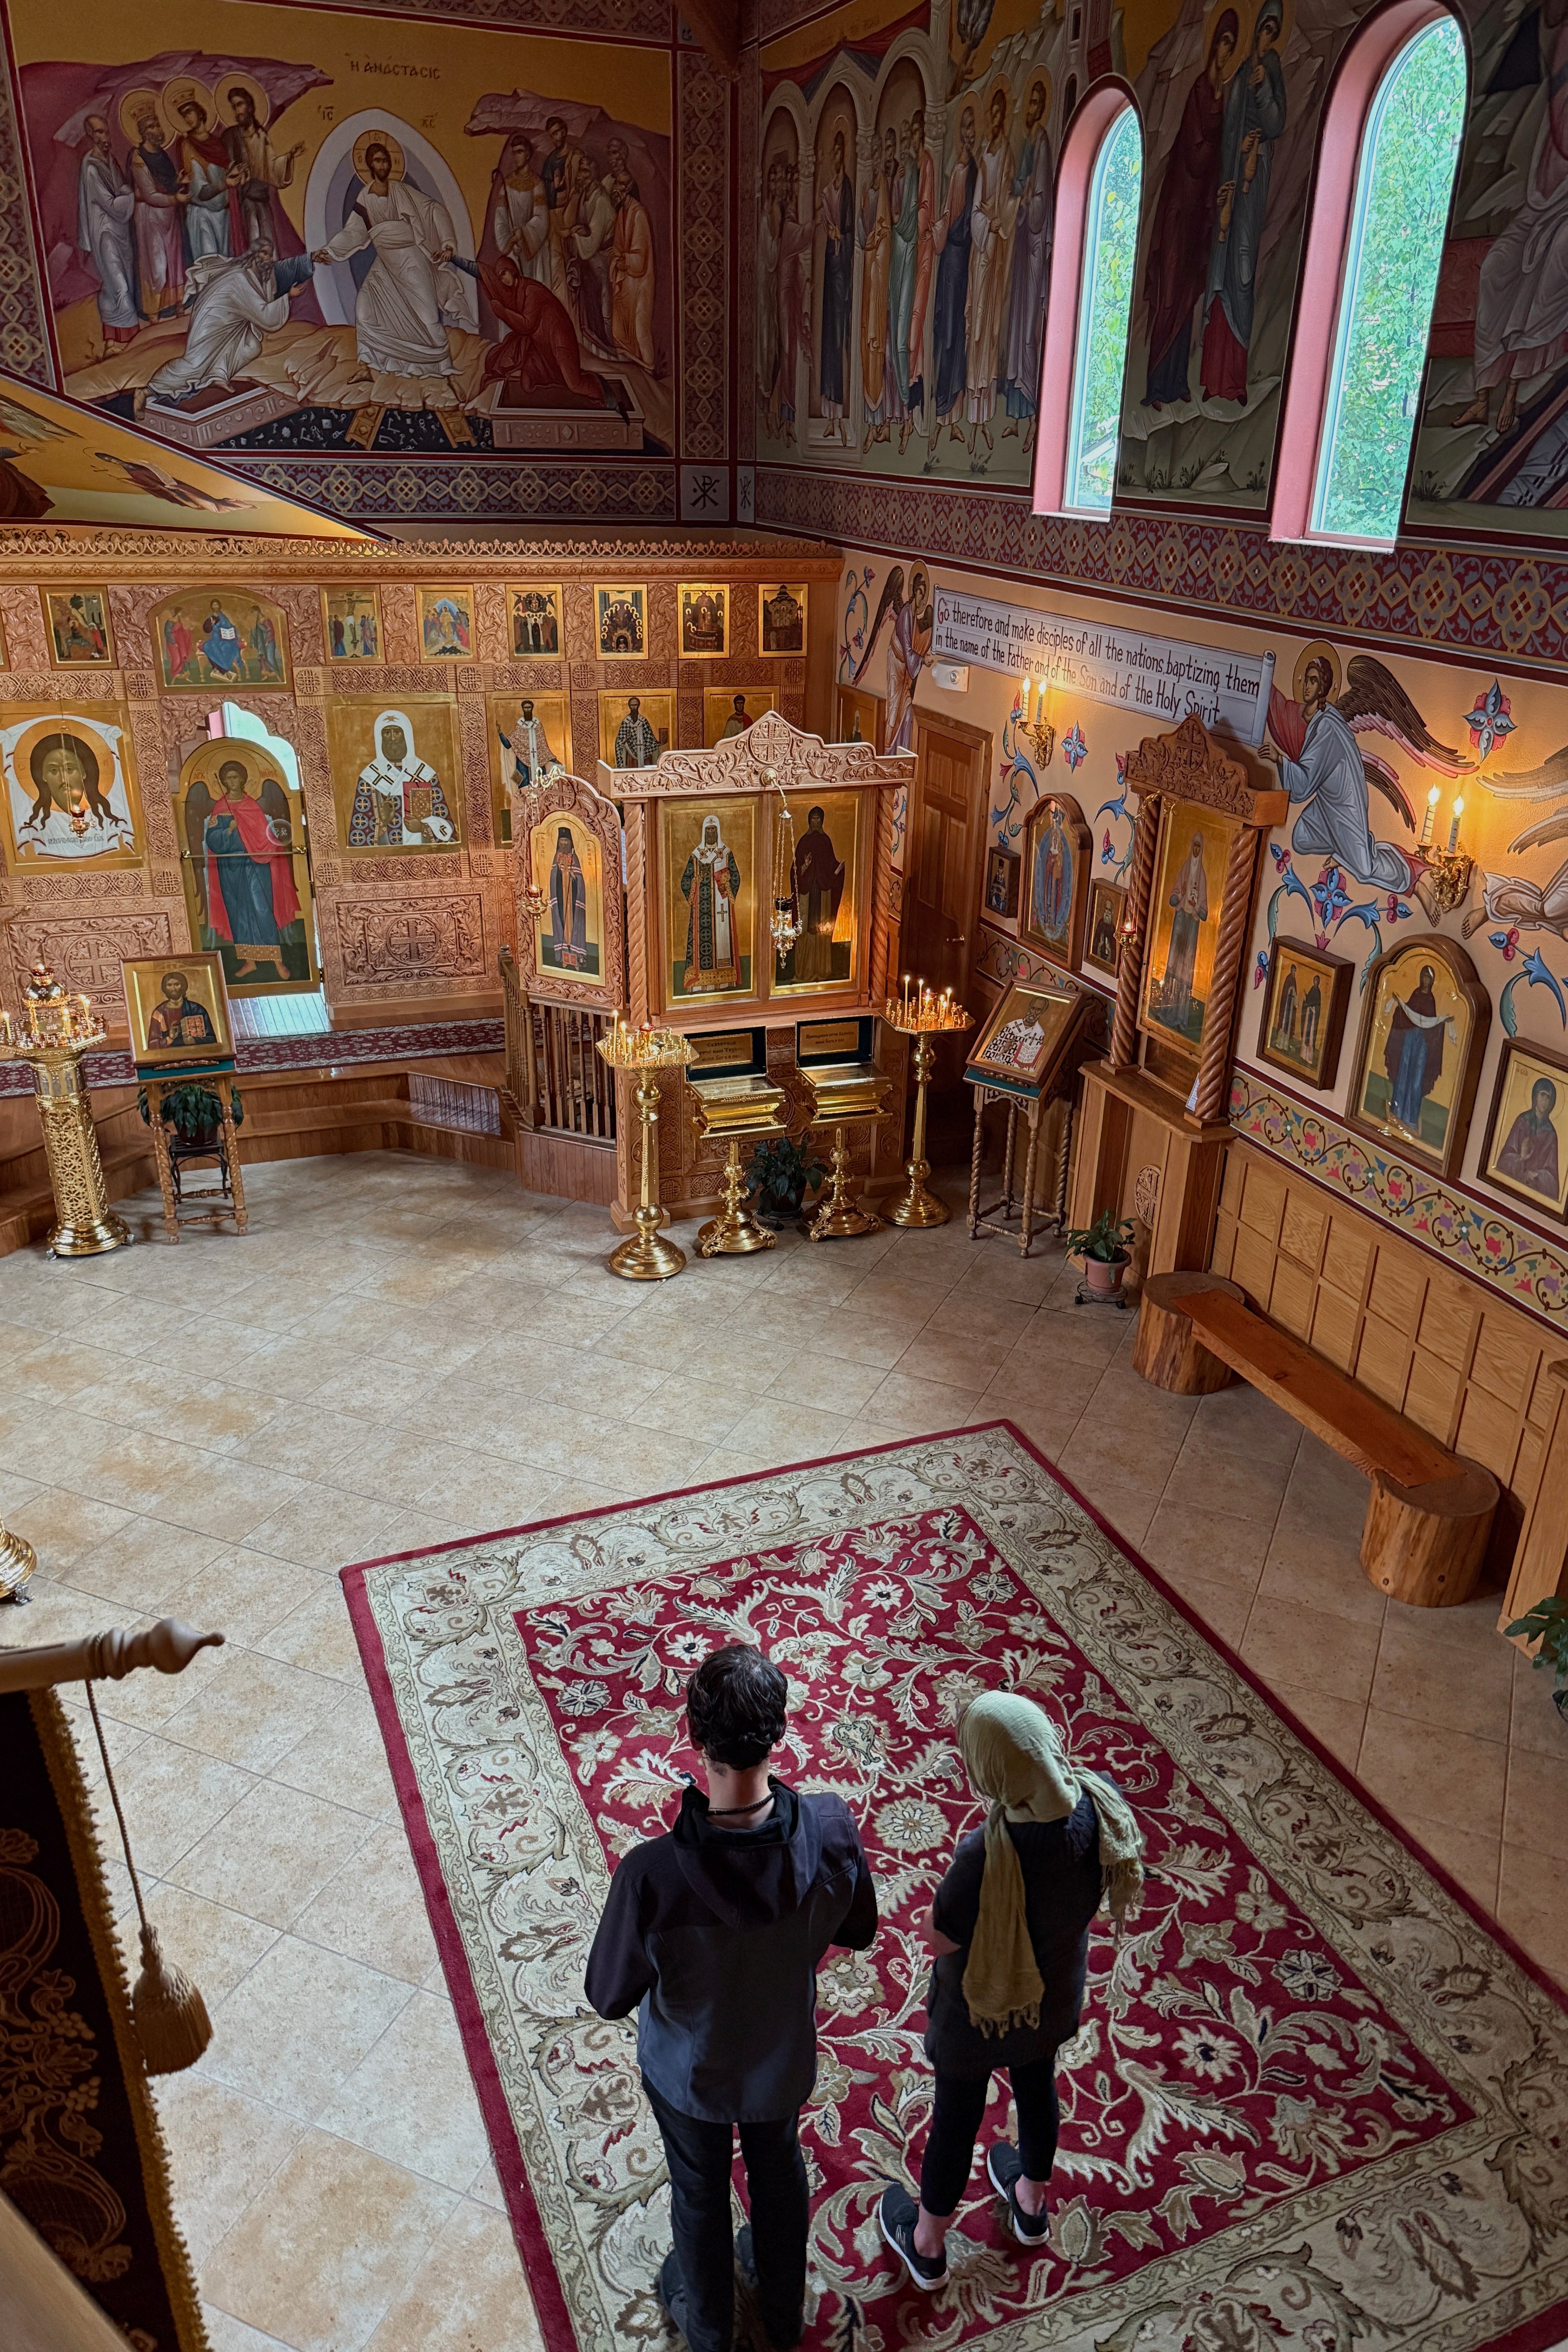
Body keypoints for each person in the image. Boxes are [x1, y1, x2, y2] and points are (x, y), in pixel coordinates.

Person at [586, 1645, 877, 2352]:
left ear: (692, 1737)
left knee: (698, 2190)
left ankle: (709, 2329)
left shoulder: (651, 1876)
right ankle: (783, 2315)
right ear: (780, 1737)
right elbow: (861, 1929)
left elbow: (607, 1995)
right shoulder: (833, 1829)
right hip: (780, 2060)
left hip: (690, 2074)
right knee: (779, 2173)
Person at [878, 1692, 1142, 2289]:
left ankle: (926, 2245)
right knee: (1035, 2086)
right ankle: (1029, 2203)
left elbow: (941, 1939)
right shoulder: (1099, 1802)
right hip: (1050, 1999)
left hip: (976, 2016)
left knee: (955, 2118)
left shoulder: (984, 1856)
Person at [314, 137, 465, 409]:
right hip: (386, 263)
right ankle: (368, 367)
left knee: (428, 316)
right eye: (376, 161)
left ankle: (444, 373)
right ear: (370, 166)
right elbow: (353, 233)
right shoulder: (366, 197)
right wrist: (331, 252)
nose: (381, 165)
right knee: (365, 308)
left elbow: (433, 210)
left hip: (410, 259)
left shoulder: (402, 192)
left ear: (390, 163)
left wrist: (447, 244)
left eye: (385, 160)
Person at [1142, 13, 1237, 408]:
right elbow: (1196, 154)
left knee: (1185, 302)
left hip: (1198, 213)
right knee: (1168, 300)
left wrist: (1217, 194)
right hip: (1179, 211)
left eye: (1232, 45)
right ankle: (1156, 385)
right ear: (1213, 45)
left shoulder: (1223, 96)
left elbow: (1213, 163)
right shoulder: (1200, 91)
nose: (1226, 51)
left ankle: (1177, 381)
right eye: (1223, 43)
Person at [1200, 0, 1287, 405]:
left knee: (1243, 270)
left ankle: (1234, 379)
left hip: (1254, 182)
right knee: (1221, 265)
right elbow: (1226, 127)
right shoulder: (1239, 75)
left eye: (1273, 28)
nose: (1266, 34)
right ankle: (1212, 377)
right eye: (1263, 27)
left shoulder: (1269, 71)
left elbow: (1275, 125)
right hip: (1232, 181)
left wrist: (1263, 89)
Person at [137, 242, 316, 415]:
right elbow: (265, 317)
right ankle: (147, 391)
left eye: (270, 254)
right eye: (264, 253)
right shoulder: (241, 278)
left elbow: (277, 276)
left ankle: (218, 374)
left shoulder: (252, 275)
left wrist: (312, 258)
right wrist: (287, 297)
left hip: (229, 322)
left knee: (250, 347)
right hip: (213, 321)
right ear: (253, 254)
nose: (268, 259)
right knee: (194, 363)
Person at [201, 757, 299, 980]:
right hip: (231, 867)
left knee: (262, 908)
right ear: (224, 781)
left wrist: (270, 840)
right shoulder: (220, 808)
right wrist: (229, 831)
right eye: (228, 777)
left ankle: (277, 961)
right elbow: (213, 841)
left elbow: (265, 836)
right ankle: (249, 961)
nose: (232, 781)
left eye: (236, 776)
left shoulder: (252, 806)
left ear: (243, 779)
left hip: (256, 864)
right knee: (238, 913)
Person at [347, 710, 456, 846]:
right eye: (387, 733)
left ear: (407, 737)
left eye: (397, 732)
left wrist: (423, 828)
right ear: (380, 738)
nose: (392, 738)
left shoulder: (425, 774)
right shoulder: (370, 777)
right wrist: (382, 823)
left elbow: (447, 827)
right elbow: (360, 831)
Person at [76, 115, 138, 348]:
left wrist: (125, 193)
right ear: (90, 136)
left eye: (106, 132)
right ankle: (121, 342)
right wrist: (130, 196)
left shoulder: (110, 159)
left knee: (125, 283)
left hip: (120, 231)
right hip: (104, 232)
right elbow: (110, 203)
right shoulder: (91, 168)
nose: (104, 137)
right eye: (99, 133)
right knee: (117, 284)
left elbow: (121, 185)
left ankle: (118, 338)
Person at [221, 82, 305, 252]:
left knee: (268, 243)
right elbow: (224, 167)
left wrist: (289, 157)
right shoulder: (230, 136)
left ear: (250, 106)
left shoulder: (261, 136)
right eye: (234, 107)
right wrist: (236, 174)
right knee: (252, 241)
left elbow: (271, 166)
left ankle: (269, 278)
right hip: (244, 199)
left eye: (240, 105)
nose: (237, 112)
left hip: (262, 197)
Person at [126, 99, 186, 323]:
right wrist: (175, 198)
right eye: (151, 127)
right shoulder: (138, 158)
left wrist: (177, 182)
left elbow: (168, 182)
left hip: (169, 215)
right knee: (156, 263)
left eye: (157, 125)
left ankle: (178, 307)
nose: (157, 130)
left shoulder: (162, 154)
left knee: (175, 262)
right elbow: (149, 194)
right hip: (150, 218)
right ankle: (153, 313)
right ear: (143, 132)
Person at [1382, 965, 1451, 1139]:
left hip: (1422, 1044)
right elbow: (1408, 1013)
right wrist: (1399, 1004)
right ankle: (1397, 1110)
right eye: (1424, 977)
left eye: (1429, 978)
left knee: (1417, 1078)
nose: (1426, 981)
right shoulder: (1416, 994)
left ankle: (1410, 1118)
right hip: (1410, 1040)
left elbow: (1431, 1022)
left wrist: (1443, 1022)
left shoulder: (1431, 1000)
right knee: (1404, 1072)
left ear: (1432, 981)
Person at [680, 812, 743, 990]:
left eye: (713, 831)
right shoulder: (696, 856)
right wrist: (696, 881)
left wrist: (725, 880)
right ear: (703, 833)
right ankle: (701, 983)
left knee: (723, 937)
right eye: (708, 831)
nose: (710, 834)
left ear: (718, 833)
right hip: (702, 909)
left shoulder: (726, 854)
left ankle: (725, 981)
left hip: (722, 904)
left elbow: (736, 878)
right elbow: (685, 881)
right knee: (702, 940)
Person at [819, 131, 854, 443]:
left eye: (841, 151)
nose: (837, 157)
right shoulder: (828, 190)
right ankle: (829, 414)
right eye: (834, 152)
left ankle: (841, 415)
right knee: (829, 341)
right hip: (831, 273)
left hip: (844, 272)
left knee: (842, 339)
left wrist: (840, 237)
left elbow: (852, 231)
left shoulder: (848, 190)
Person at [790, 804, 845, 981]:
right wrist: (805, 866)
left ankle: (822, 971)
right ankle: (803, 973)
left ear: (822, 821)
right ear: (809, 821)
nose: (815, 822)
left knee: (822, 929)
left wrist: (838, 870)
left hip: (823, 893)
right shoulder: (803, 842)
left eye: (818, 819)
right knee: (805, 930)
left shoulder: (826, 841)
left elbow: (830, 865)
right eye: (813, 819)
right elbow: (795, 871)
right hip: (806, 894)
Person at [1497, 1075, 1562, 1199]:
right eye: (1543, 1095)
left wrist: (1538, 1174)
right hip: (1510, 1189)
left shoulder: (1551, 1135)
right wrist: (1521, 1159)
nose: (1545, 1101)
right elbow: (1502, 1162)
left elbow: (1553, 1180)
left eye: (1549, 1097)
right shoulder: (1522, 1122)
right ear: (1535, 1097)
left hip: (1533, 1192)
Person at [145, 968, 219, 1051]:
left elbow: (212, 1039)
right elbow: (152, 1045)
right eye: (169, 985)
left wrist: (195, 1041)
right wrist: (170, 1038)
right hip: (170, 1055)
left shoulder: (197, 1009)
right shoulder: (159, 1013)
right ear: (165, 988)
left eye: (177, 984)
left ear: (183, 986)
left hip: (196, 1052)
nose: (173, 988)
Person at [614, 694, 660, 768]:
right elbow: (621, 738)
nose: (634, 708)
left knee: (655, 747)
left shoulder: (643, 720)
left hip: (645, 749)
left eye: (635, 705)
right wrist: (627, 738)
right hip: (631, 750)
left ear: (638, 706)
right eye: (632, 705)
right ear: (629, 706)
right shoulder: (626, 722)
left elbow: (649, 735)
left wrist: (651, 743)